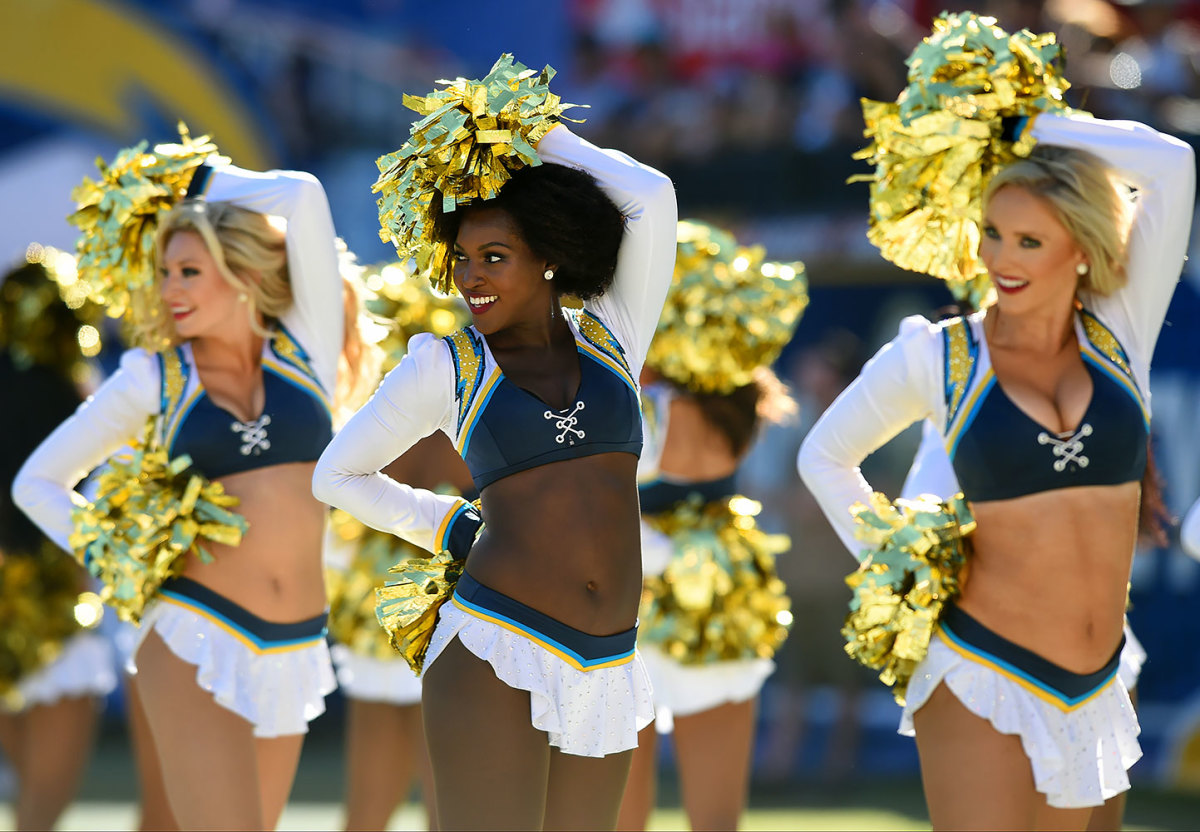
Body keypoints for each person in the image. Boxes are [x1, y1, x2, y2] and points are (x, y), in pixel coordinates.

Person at [797, 107, 1194, 828]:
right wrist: (898, 565)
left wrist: (1027, 122)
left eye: (1030, 240)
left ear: (1081, 246)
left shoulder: (1121, 330)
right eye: (993, 233)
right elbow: (823, 456)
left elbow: (1171, 164)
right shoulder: (939, 355)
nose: (1002, 259)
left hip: (1091, 684)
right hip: (979, 665)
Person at [313, 117, 677, 829]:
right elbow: (337, 475)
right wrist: (448, 525)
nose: (470, 277)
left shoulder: (615, 334)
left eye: (495, 256)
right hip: (495, 648)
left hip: (608, 661)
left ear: (547, 255)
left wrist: (523, 139)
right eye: (462, 257)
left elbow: (651, 197)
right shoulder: (443, 367)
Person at [13, 159, 368, 829]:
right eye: (164, 273)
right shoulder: (151, 378)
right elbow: (38, 483)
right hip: (193, 631)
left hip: (294, 646)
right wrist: (117, 553)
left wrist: (196, 182)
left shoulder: (306, 348)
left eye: (188, 271)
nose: (169, 289)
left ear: (245, 276)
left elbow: (303, 197)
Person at [615, 221, 804, 831]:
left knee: (617, 812)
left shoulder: (640, 404)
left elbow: (588, 497)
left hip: (626, 591)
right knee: (717, 817)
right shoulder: (743, 401)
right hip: (717, 588)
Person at [0, 252, 116, 831]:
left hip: (15, 602)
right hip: (53, 606)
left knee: (28, 799)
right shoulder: (74, 400)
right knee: (41, 810)